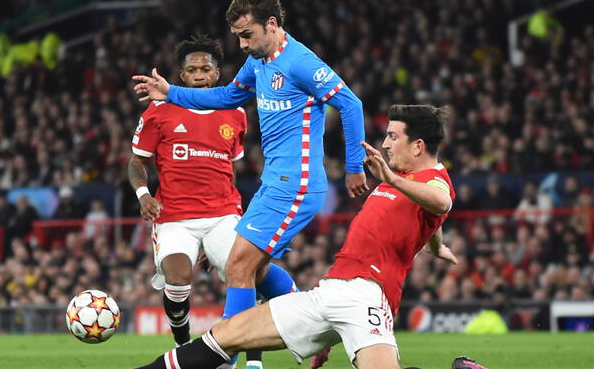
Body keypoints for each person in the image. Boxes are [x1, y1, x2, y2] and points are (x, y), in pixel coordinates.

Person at [134, 105, 461, 369]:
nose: (386, 144)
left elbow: (441, 201)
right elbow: (433, 219)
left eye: (393, 136)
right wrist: (437, 245)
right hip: (327, 293)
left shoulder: (431, 179)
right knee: (225, 335)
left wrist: (391, 178)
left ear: (418, 145)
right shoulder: (406, 181)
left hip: (367, 295)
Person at [133, 0, 368, 366]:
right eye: (238, 37)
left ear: (272, 25)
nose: (241, 44)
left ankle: (224, 357)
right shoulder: (258, 61)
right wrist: (172, 93)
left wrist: (355, 166)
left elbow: (350, 104)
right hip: (272, 184)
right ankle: (319, 328)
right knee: (254, 270)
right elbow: (228, 96)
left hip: (298, 183)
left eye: (246, 35)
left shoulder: (301, 62)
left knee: (240, 266)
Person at [127, 34, 250, 361]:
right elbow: (137, 161)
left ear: (216, 74)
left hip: (223, 215)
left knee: (245, 274)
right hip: (174, 217)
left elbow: (232, 171)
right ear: (181, 77)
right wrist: (143, 195)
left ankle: (247, 357)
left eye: (205, 68)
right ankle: (184, 347)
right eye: (192, 69)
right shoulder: (159, 111)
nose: (199, 73)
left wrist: (234, 214)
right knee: (178, 281)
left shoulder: (235, 113)